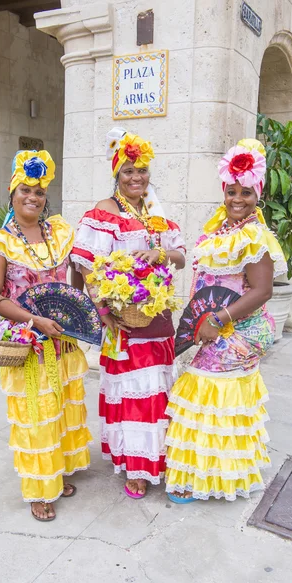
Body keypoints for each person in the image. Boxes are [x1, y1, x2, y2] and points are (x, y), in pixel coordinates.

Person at [164, 138, 287, 503]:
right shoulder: (222, 230)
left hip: (242, 328)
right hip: (221, 323)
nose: (238, 199)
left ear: (258, 194)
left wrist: (215, 319)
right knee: (206, 389)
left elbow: (262, 291)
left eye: (246, 192)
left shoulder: (254, 235)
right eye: (231, 191)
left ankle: (206, 478)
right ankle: (211, 473)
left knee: (205, 386)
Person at [0, 150, 92, 521]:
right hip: (29, 345)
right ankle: (39, 490)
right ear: (12, 193)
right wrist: (35, 320)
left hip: (64, 340)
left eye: (40, 191)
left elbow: (75, 279)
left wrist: (78, 306)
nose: (33, 197)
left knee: (61, 409)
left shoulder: (58, 232)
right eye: (25, 189)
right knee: (36, 416)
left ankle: (55, 475)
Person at [71, 128, 186, 498]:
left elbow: (181, 256)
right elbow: (86, 265)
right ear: (116, 174)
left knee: (157, 390)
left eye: (142, 170)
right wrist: (102, 309)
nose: (137, 178)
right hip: (125, 320)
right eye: (128, 171)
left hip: (158, 319)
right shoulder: (105, 212)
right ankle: (136, 465)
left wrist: (161, 254)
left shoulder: (156, 212)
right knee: (133, 392)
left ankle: (156, 455)